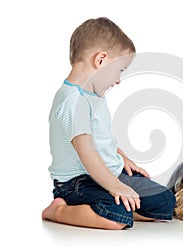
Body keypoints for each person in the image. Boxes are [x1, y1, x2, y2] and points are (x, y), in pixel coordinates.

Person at [42, 17, 176, 230]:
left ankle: (116, 207)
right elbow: (86, 152)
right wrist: (115, 186)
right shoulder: (73, 101)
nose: (118, 80)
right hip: (78, 182)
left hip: (108, 172)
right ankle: (59, 211)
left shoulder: (94, 95)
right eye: (120, 70)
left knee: (165, 202)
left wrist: (121, 157)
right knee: (116, 218)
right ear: (101, 60)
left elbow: (101, 138)